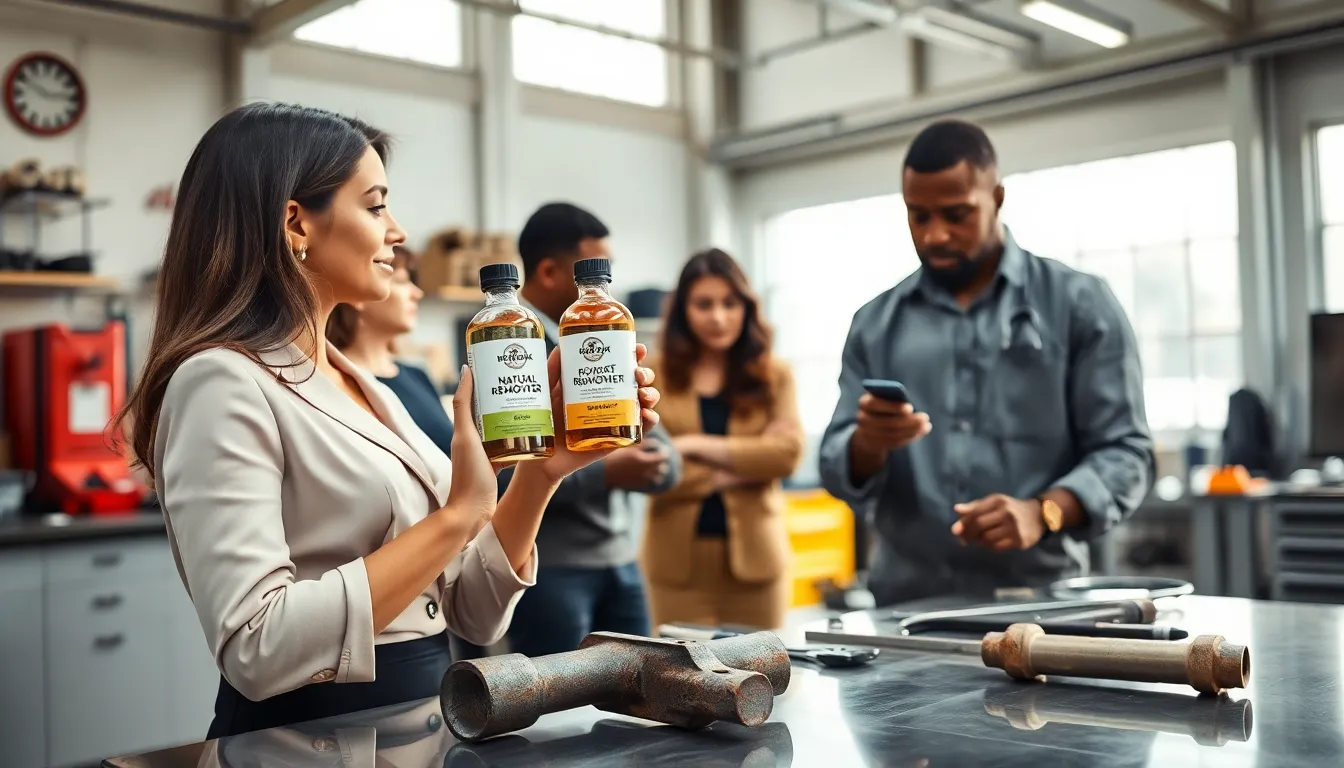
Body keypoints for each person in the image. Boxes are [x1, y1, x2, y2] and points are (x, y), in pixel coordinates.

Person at [116, 103, 661, 738]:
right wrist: (457, 516)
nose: (398, 232)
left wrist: (542, 474)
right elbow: (256, 647)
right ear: (296, 222)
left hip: (427, 718)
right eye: (376, 207)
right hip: (305, 739)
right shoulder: (220, 381)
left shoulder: (369, 389)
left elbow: (475, 612)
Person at [818, 119, 1155, 606]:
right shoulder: (874, 323)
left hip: (1040, 608)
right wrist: (866, 445)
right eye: (918, 216)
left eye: (956, 215)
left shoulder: (1079, 306)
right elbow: (835, 466)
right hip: (904, 608)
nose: (935, 235)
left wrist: (1043, 512)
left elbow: (1126, 452)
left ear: (997, 198)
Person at [498, 201, 682, 657]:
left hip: (622, 561)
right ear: (548, 272)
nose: (607, 280)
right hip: (551, 570)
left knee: (638, 690)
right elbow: (500, 475)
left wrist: (656, 462)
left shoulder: (608, 333)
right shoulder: (507, 348)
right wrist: (608, 471)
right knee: (557, 695)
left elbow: (661, 451)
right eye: (599, 265)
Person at [326, 243, 490, 662]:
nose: (416, 292)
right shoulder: (336, 388)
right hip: (388, 586)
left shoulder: (417, 376)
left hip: (451, 564)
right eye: (402, 281)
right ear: (360, 296)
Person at [643, 249, 802, 630]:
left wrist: (691, 447)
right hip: (675, 566)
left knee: (761, 667)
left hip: (758, 563)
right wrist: (748, 466)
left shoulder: (775, 374)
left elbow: (787, 456)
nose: (718, 317)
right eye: (704, 304)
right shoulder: (653, 374)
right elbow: (650, 468)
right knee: (678, 667)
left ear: (747, 307)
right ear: (683, 309)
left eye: (730, 303)